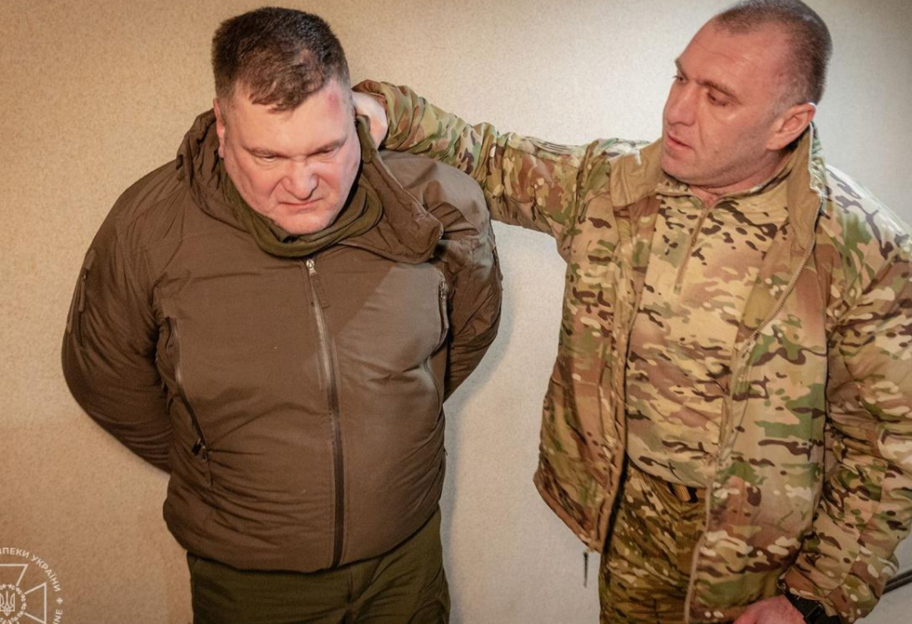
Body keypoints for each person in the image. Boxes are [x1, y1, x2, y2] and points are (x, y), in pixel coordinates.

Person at [353, 1, 912, 623]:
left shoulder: (862, 247)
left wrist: (816, 596)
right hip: (629, 524)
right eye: (681, 78)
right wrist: (386, 112)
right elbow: (491, 157)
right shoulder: (615, 186)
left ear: (789, 123)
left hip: (764, 559)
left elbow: (890, 441)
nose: (678, 110)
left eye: (717, 97)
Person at [62, 7, 501, 623]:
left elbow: (468, 334)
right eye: (268, 156)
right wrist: (211, 458)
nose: (302, 184)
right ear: (222, 128)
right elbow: (106, 380)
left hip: (406, 566)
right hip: (252, 587)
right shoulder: (149, 228)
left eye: (327, 148)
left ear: (357, 121)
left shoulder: (437, 204)